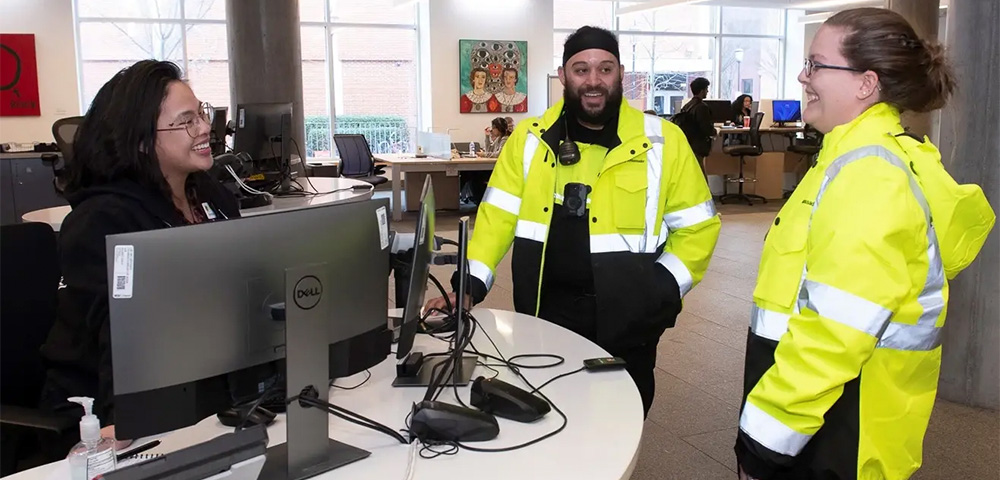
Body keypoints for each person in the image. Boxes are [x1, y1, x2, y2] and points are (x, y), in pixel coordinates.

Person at [735, 8, 994, 480]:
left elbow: (835, 333)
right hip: (833, 417)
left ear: (865, 83)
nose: (802, 75)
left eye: (816, 64)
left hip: (839, 431)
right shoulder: (848, 157)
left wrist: (765, 440)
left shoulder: (869, 176)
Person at [427, 26, 721, 417]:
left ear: (620, 73)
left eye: (605, 69)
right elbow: (497, 218)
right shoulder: (529, 140)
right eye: (581, 70)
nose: (593, 81)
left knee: (621, 418)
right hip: (548, 314)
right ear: (563, 76)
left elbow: (698, 229)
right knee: (550, 416)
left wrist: (661, 288)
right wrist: (467, 286)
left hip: (630, 316)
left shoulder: (664, 141)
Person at [39, 60, 240, 448]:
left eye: (201, 113)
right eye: (186, 121)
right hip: (102, 414)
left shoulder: (211, 195)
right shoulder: (102, 219)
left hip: (198, 392)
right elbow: (119, 332)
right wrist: (125, 422)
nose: (204, 128)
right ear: (143, 141)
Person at [462, 117, 509, 205]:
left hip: (497, 169)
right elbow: (489, 149)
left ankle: (480, 201)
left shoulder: (505, 139)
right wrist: (487, 137)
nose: (492, 130)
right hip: (493, 167)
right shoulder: (499, 138)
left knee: (473, 175)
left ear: (498, 128)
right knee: (468, 174)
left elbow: (498, 154)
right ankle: (477, 200)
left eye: (493, 128)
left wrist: (484, 154)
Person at [674, 77, 715, 170]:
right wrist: (714, 132)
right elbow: (706, 128)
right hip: (699, 144)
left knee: (694, 170)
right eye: (706, 89)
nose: (707, 91)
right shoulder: (702, 107)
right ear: (702, 91)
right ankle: (704, 185)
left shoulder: (687, 105)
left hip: (689, 142)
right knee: (700, 171)